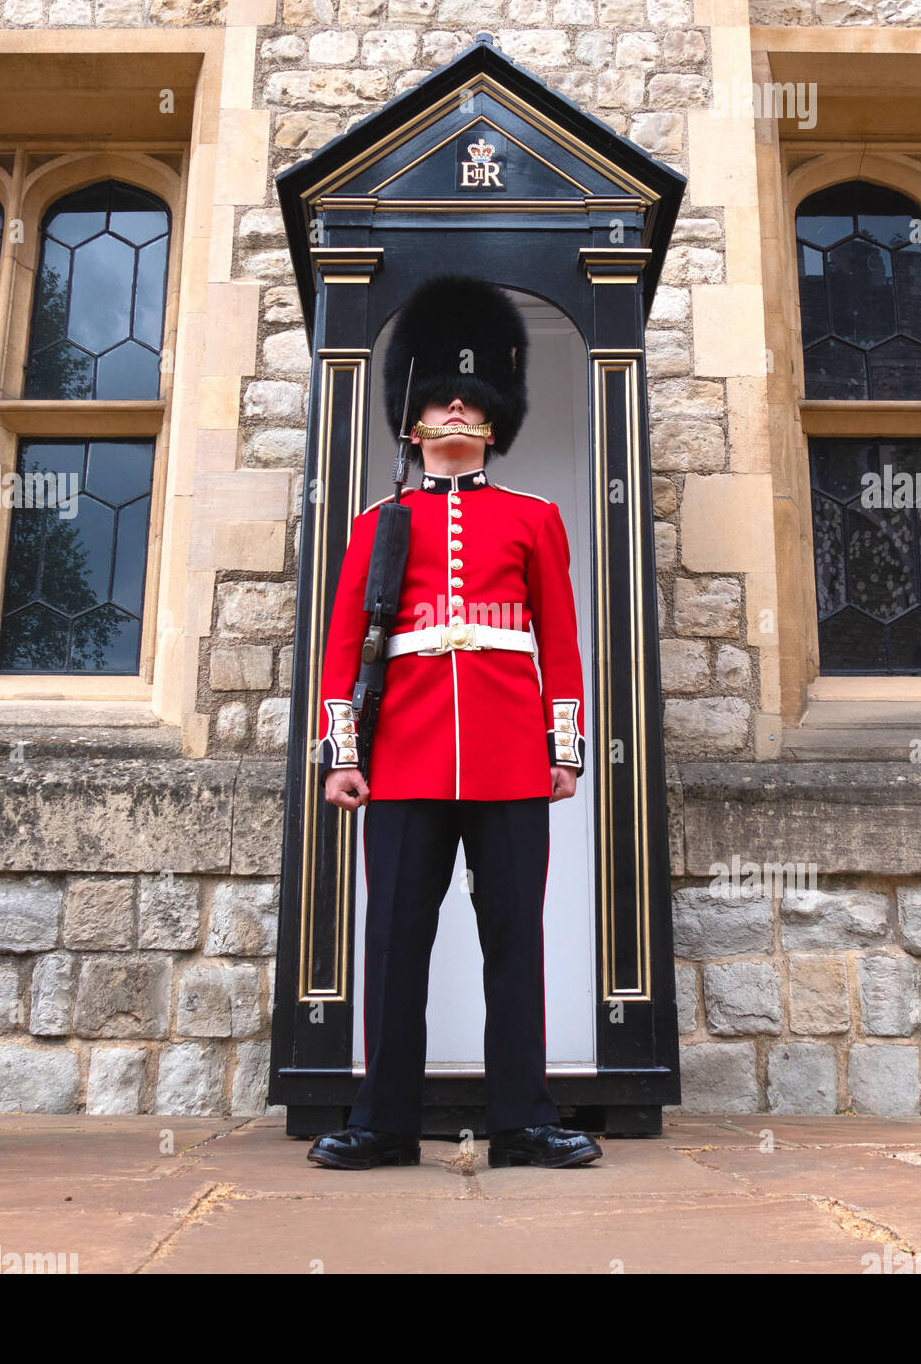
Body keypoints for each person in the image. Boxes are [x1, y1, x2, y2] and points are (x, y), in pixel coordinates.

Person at [306, 274, 601, 1171]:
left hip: (511, 757)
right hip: (402, 757)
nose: (459, 411)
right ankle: (385, 1120)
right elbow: (344, 644)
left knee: (516, 941)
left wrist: (565, 748)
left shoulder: (535, 520)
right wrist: (341, 755)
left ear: (495, 418)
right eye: (441, 397)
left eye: (474, 401)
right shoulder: (376, 524)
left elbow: (560, 638)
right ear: (414, 415)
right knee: (397, 942)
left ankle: (523, 1119)